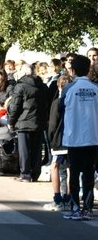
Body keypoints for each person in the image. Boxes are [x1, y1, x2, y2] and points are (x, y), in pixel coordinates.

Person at [60, 55, 98, 220]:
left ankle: (75, 207)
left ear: (73, 70)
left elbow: (60, 108)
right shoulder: (96, 88)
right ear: (88, 69)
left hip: (74, 137)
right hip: (93, 137)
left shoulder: (69, 88)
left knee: (74, 172)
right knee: (89, 172)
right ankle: (88, 209)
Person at [7, 63, 50, 182]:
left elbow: (15, 106)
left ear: (25, 72)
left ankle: (25, 174)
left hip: (24, 122)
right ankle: (35, 174)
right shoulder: (43, 86)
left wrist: (11, 121)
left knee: (24, 149)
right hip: (39, 122)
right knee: (36, 149)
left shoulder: (20, 86)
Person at [44, 75, 72, 212]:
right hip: (72, 139)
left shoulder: (57, 102)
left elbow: (53, 124)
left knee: (54, 166)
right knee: (70, 168)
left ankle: (57, 198)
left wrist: (51, 140)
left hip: (59, 139)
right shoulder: (73, 101)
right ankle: (68, 197)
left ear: (59, 86)